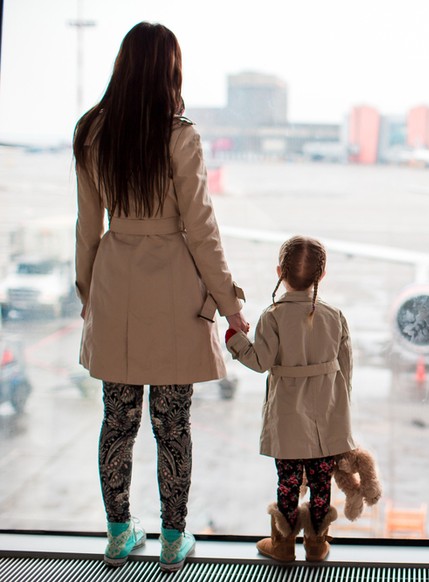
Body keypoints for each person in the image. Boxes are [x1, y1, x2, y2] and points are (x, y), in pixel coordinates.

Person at [73, 22, 249, 573]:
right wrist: (230, 302)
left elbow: (86, 226)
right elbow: (201, 229)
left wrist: (87, 292)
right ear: (169, 70)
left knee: (117, 421)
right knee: (172, 425)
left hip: (115, 282)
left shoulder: (92, 130)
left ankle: (119, 535)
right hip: (173, 288)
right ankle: (174, 542)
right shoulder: (179, 135)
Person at [225, 235, 354, 562]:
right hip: (326, 415)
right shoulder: (334, 315)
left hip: (287, 418)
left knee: (288, 481)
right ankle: (316, 544)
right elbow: (346, 368)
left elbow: (260, 363)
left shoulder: (272, 315)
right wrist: (342, 409)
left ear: (279, 271)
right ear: (321, 276)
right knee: (322, 481)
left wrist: (236, 342)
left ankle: (282, 544)